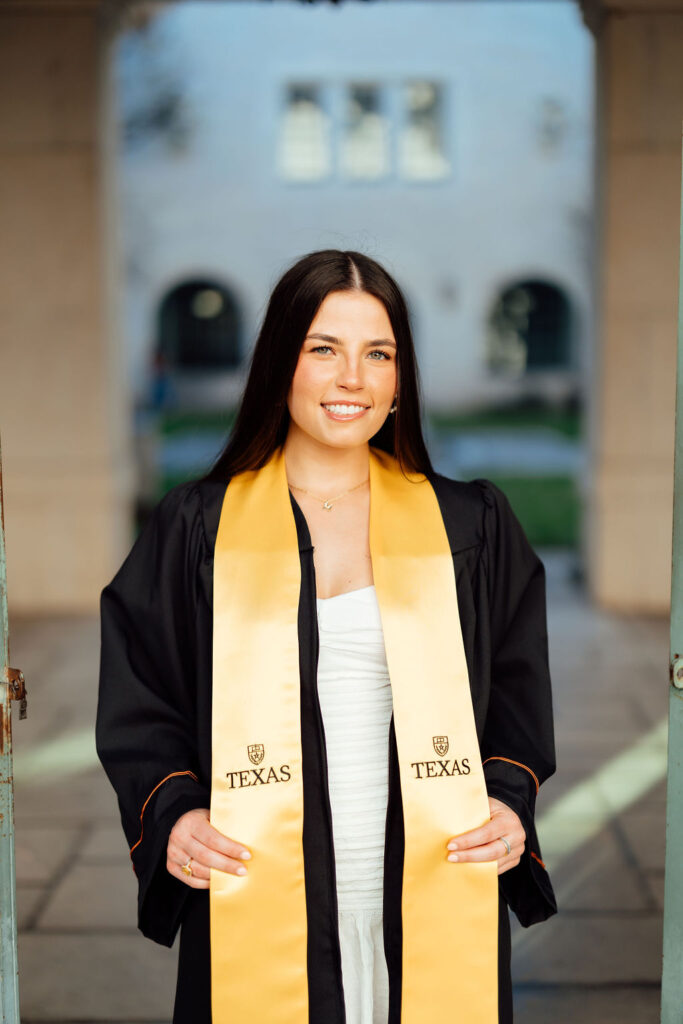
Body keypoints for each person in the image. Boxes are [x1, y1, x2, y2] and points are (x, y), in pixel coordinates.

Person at [96, 249, 557, 1024]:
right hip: (261, 888)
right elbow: (142, 690)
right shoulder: (199, 527)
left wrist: (510, 800)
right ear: (280, 362)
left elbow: (517, 691)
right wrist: (172, 809)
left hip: (429, 880)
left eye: (378, 353)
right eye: (323, 350)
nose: (353, 379)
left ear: (400, 379)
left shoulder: (469, 525)